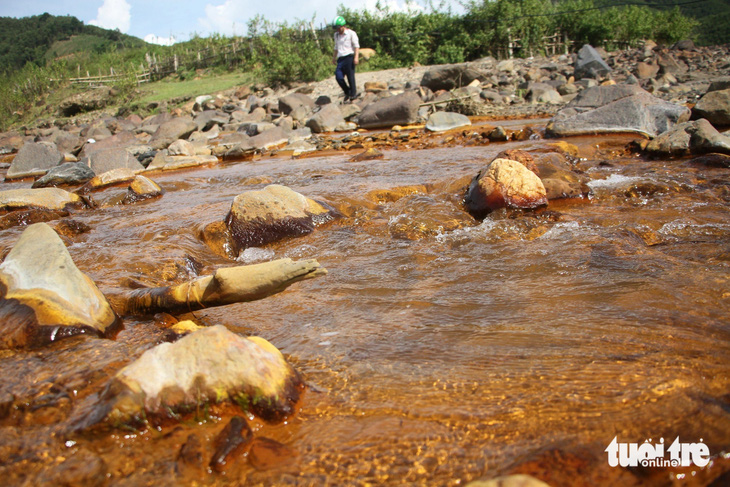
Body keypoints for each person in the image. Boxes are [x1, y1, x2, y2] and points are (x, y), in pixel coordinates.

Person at [332, 16, 360, 102]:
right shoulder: (336, 35)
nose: (337, 30)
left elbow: (356, 46)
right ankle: (347, 91)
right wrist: (334, 58)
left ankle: (353, 94)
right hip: (340, 58)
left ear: (343, 26)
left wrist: (356, 57)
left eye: (338, 28)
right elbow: (336, 47)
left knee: (350, 77)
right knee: (338, 76)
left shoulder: (351, 33)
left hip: (349, 57)